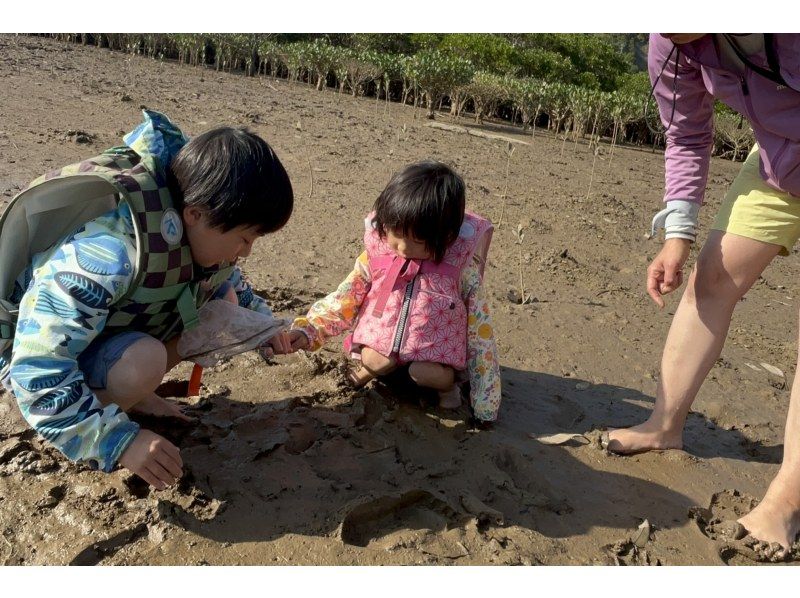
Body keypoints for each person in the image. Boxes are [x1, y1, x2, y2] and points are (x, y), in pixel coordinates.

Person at [0, 110, 294, 490]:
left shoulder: (193, 235)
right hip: (29, 363)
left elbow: (227, 280)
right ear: (195, 214)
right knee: (143, 362)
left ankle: (131, 396)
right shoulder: (108, 255)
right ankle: (94, 415)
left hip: (103, 339)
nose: (246, 253)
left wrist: (267, 328)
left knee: (227, 303)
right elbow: (36, 366)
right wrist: (118, 440)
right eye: (244, 238)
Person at [606, 34, 800, 552]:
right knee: (710, 280)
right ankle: (664, 424)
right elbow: (687, 135)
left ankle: (788, 497)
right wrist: (677, 236)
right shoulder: (668, 46)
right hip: (781, 163)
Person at [288, 160, 501, 423]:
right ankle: (367, 371)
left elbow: (481, 335)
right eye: (395, 233)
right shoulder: (376, 258)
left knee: (424, 371)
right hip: (382, 352)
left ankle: (448, 389)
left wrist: (485, 404)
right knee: (376, 359)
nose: (401, 247)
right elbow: (344, 298)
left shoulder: (460, 272)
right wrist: (309, 329)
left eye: (417, 240)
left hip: (433, 362)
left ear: (446, 237)